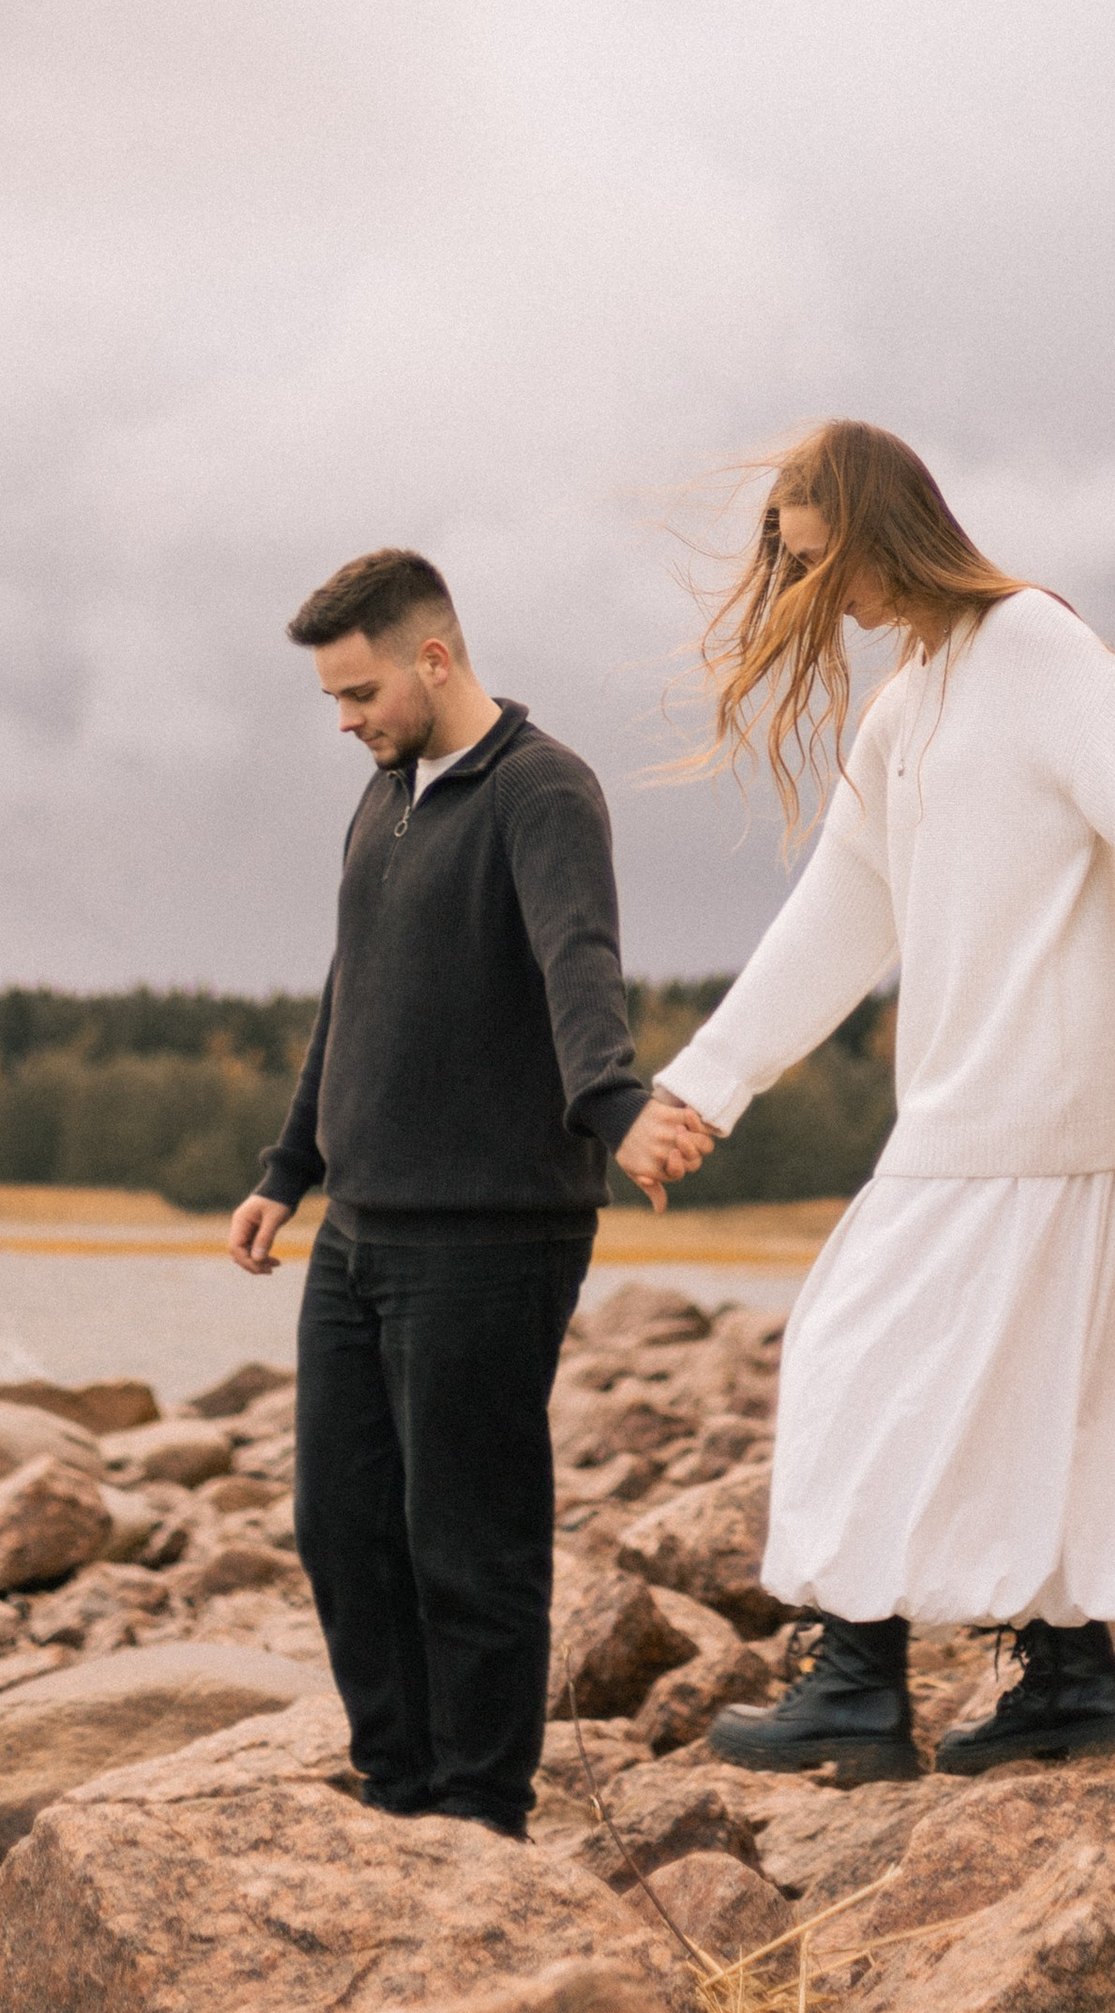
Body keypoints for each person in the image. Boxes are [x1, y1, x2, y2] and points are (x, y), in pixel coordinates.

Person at [649, 423, 1115, 1784]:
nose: (818, 590)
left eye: (824, 557)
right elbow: (836, 919)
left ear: (884, 527)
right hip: (995, 1097)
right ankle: (1071, 1677)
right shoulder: (904, 708)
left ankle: (857, 1684)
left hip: (1053, 1088)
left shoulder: (1030, 643)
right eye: (797, 565)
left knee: (848, 1346)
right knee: (1050, 1388)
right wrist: (705, 1084)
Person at [226, 547, 707, 1840]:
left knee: (468, 1540)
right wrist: (289, 1168)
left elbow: (576, 959)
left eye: (360, 691)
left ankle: (483, 1811)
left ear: (432, 659)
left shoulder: (542, 790)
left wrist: (614, 1101)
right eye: (333, 698)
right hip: (360, 1229)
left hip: (493, 1233)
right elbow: (352, 988)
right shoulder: (385, 795)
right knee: (340, 1525)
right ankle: (399, 1788)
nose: (346, 720)